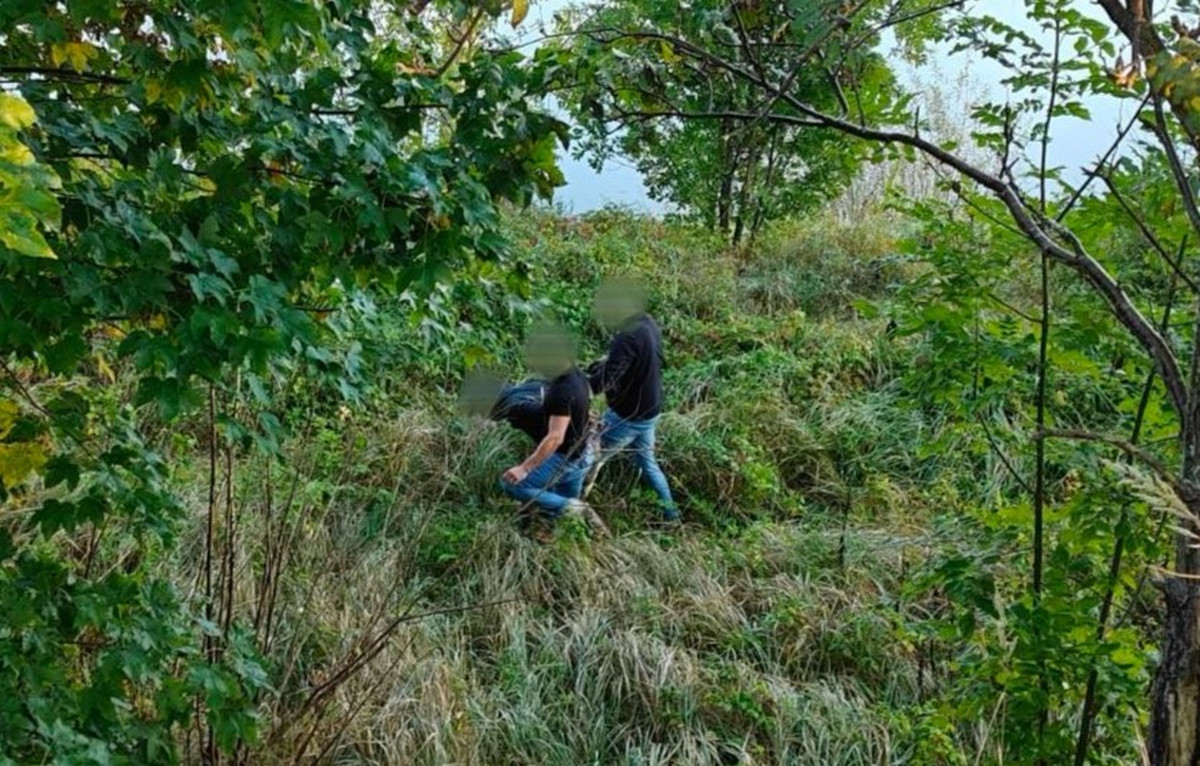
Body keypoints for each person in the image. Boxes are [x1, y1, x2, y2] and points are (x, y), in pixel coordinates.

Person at [497, 324, 605, 537]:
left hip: (564, 458)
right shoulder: (576, 375)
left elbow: (555, 437)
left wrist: (524, 468)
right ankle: (568, 538)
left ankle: (578, 509)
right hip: (582, 453)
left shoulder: (561, 391)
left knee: (511, 484)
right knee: (559, 514)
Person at [585, 279, 680, 522]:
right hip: (650, 411)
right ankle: (671, 516)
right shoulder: (647, 323)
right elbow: (625, 365)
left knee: (587, 459)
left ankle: (570, 513)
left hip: (629, 416)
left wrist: (582, 387)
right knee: (648, 464)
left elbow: (607, 379)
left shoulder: (626, 338)